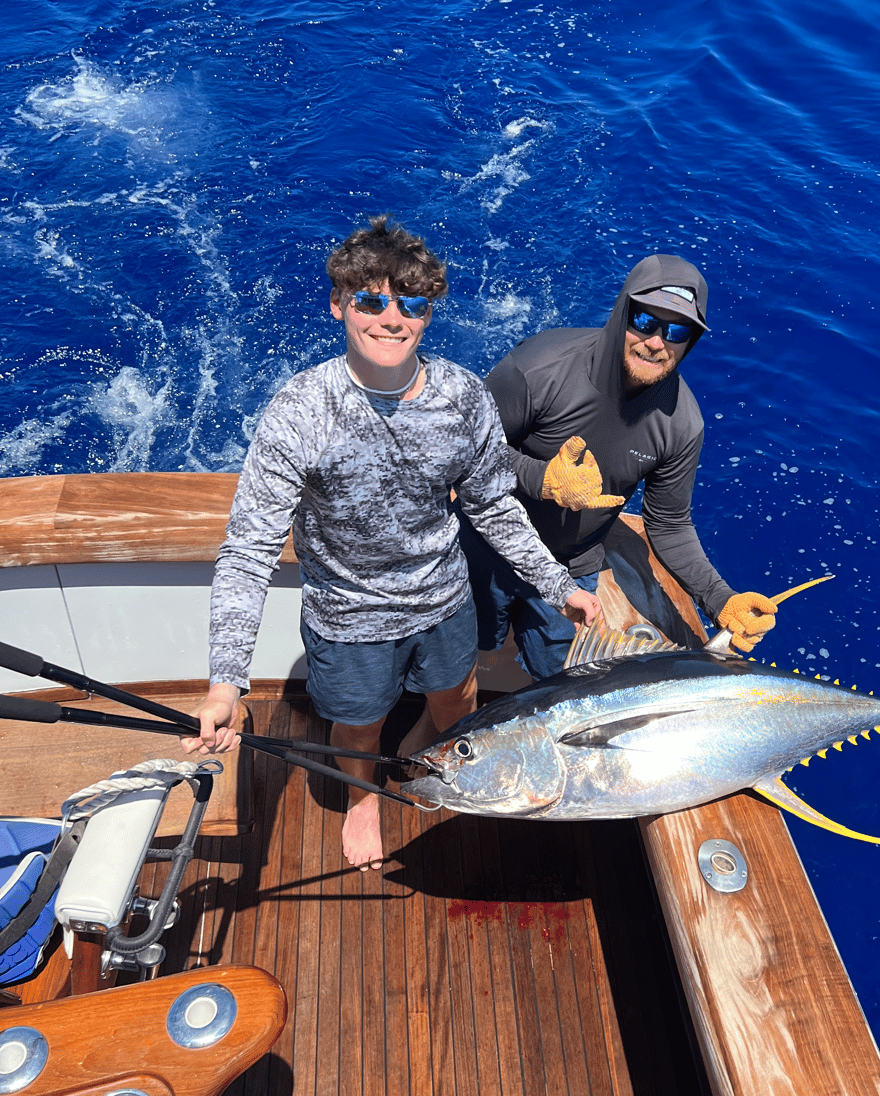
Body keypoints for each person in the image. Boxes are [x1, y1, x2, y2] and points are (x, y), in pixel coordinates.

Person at [182, 217, 601, 870]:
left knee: (457, 700)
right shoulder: (299, 410)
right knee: (357, 725)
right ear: (338, 303)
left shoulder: (464, 396)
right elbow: (248, 551)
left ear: (427, 314)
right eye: (371, 301)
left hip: (444, 601)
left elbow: (492, 503)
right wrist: (225, 682)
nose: (391, 318)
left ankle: (425, 751)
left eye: (411, 304)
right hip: (349, 620)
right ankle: (363, 800)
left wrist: (558, 584)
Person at [461, 252, 777, 681]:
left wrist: (720, 599)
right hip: (488, 548)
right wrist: (543, 479)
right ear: (622, 312)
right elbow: (463, 452)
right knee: (471, 657)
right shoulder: (538, 368)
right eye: (645, 321)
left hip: (573, 563)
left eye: (677, 331)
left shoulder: (682, 424)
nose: (656, 342)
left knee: (565, 679)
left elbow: (668, 524)